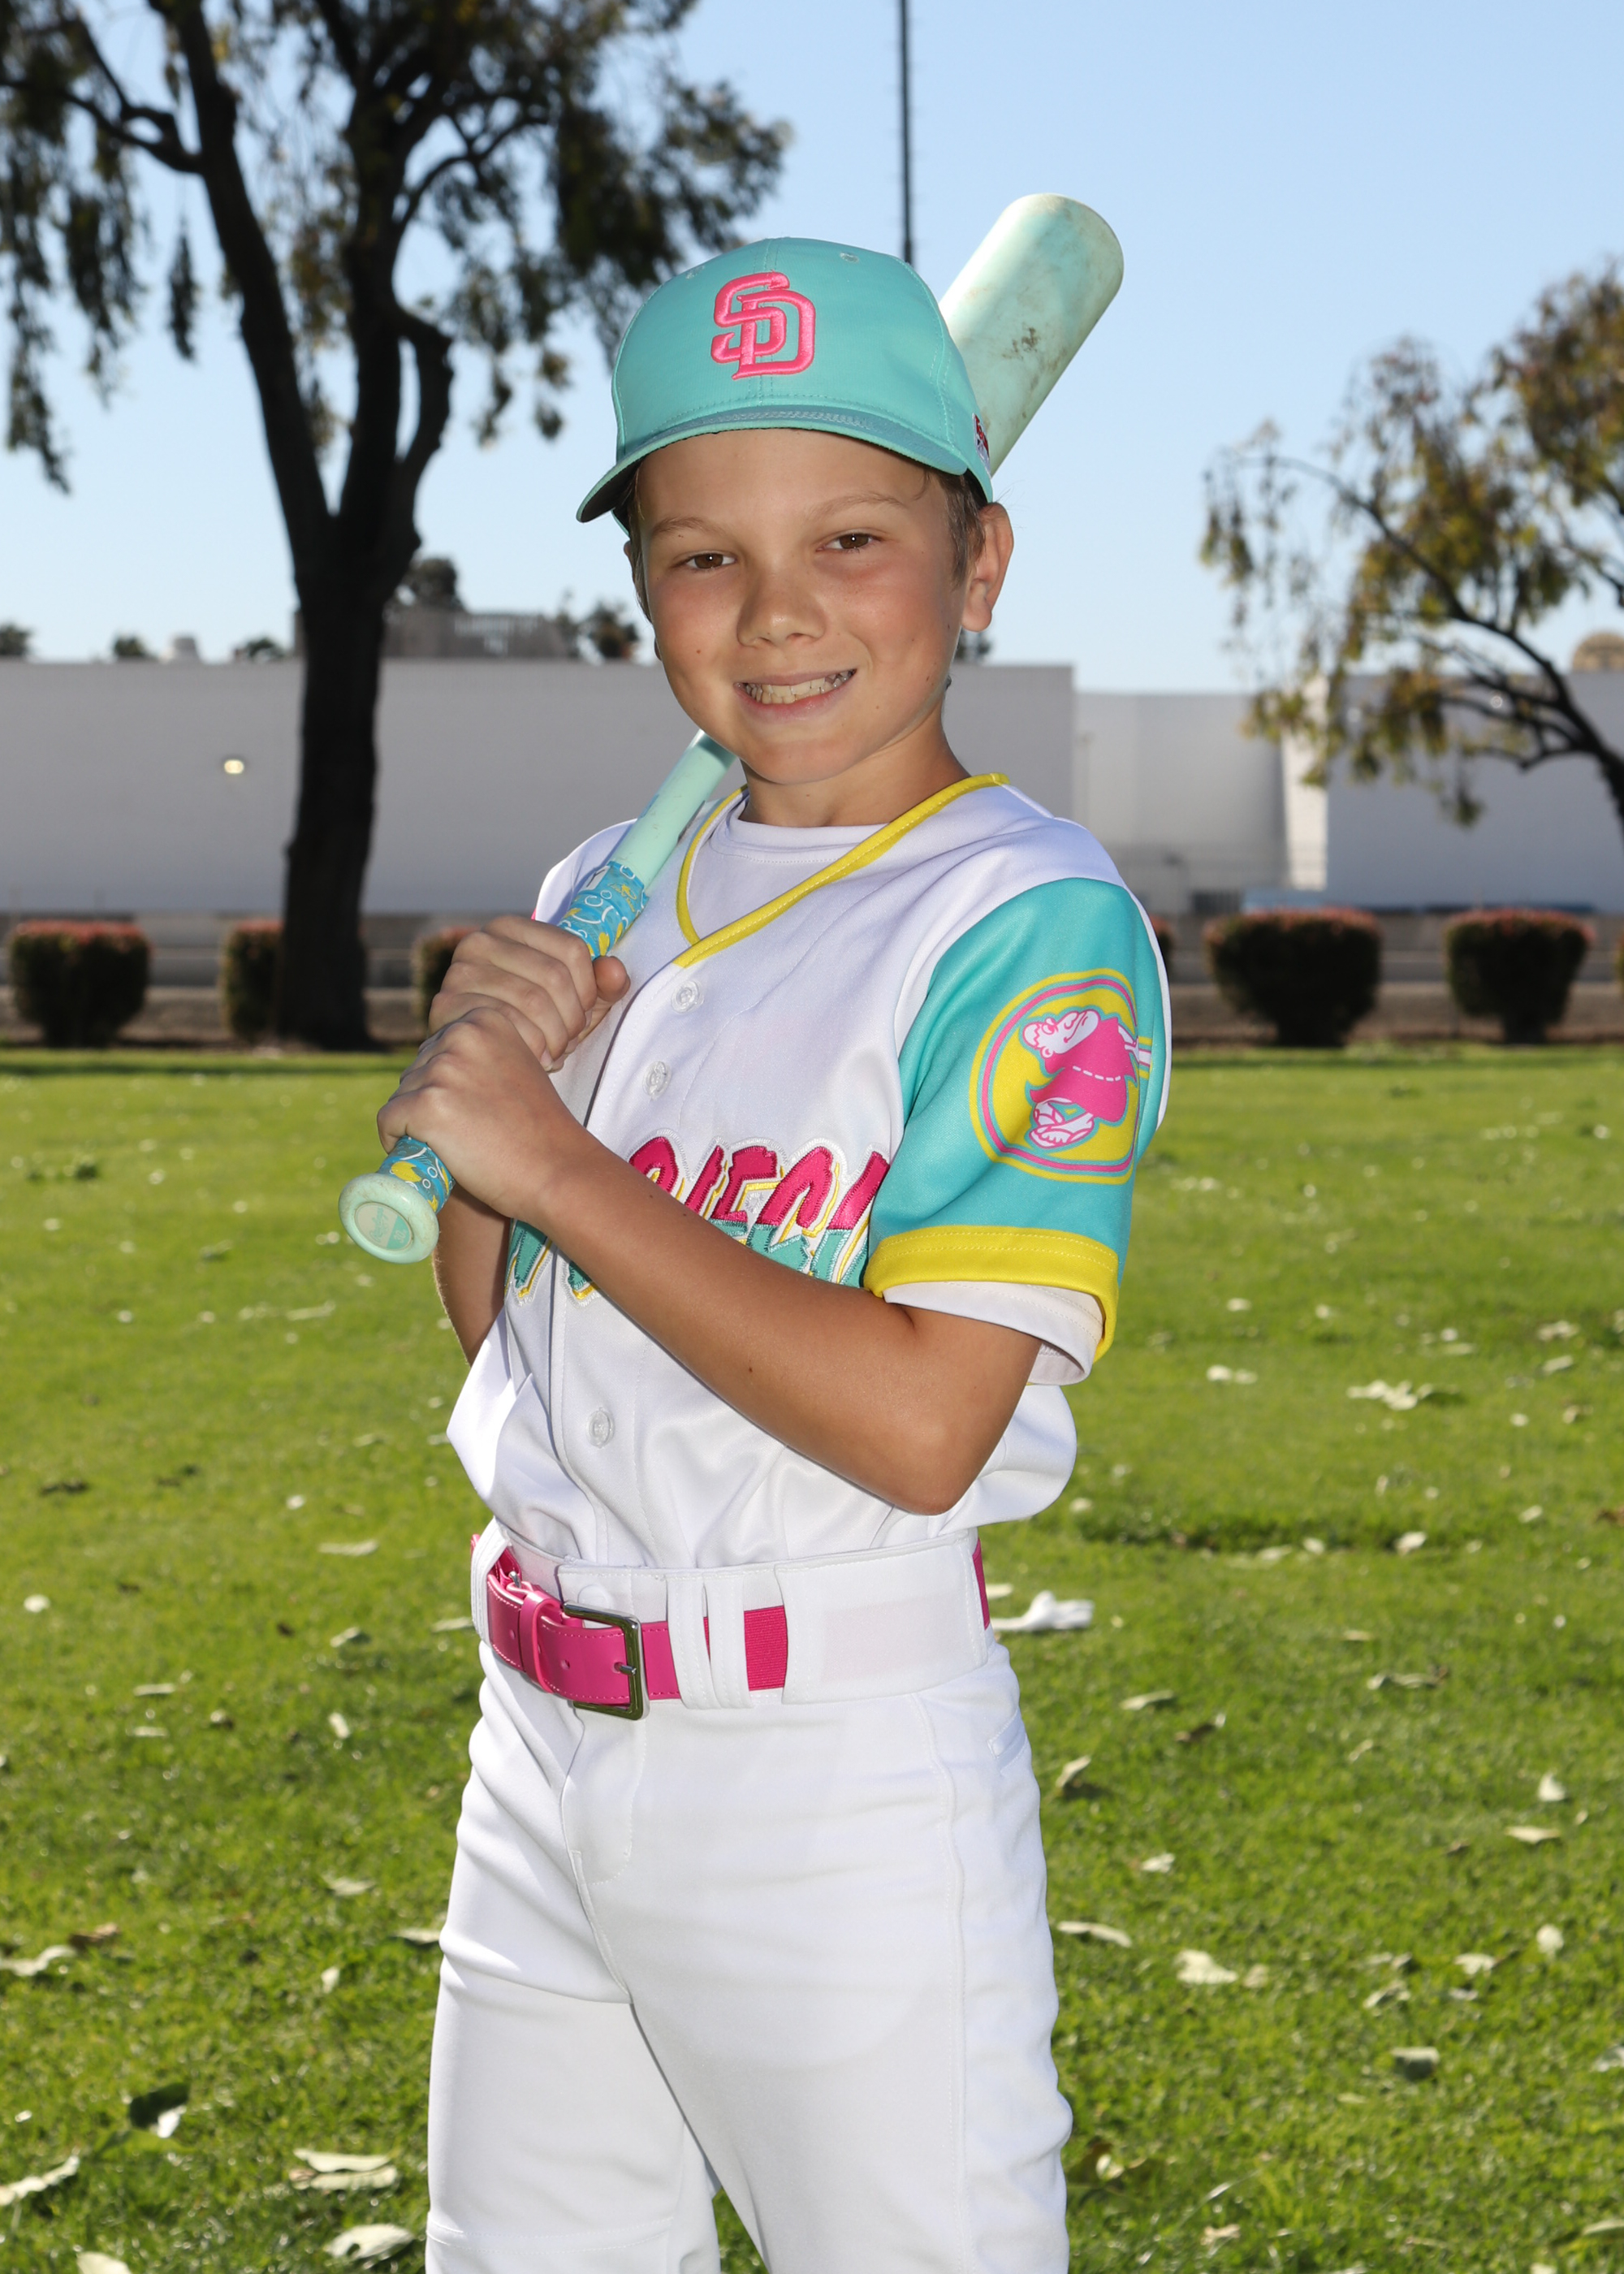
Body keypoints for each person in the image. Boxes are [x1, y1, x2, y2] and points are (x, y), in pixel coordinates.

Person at [379, 236, 1169, 2274]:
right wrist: (487, 1138)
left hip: (832, 1775)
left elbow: (921, 1421)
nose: (779, 609)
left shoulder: (1024, 920)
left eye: (852, 537)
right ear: (644, 590)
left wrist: (558, 1164)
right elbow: (507, 1335)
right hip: (542, 1733)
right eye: (703, 555)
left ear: (980, 567)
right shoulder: (606, 889)